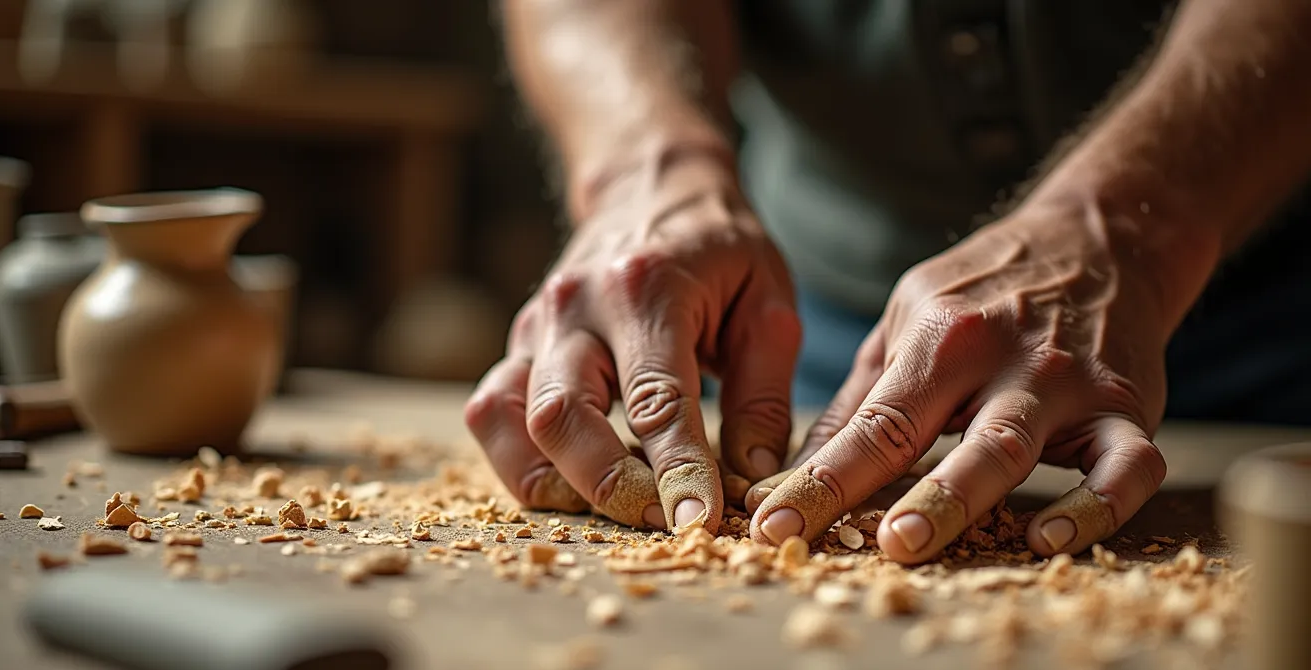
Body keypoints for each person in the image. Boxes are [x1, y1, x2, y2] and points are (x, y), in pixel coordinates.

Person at [465, 0, 1311, 564]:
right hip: (843, 336)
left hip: (1272, 321)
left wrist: (1131, 223)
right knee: (832, 481)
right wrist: (645, 171)